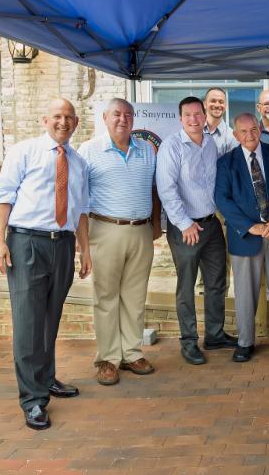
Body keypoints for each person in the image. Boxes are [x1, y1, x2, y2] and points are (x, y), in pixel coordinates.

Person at [0, 98, 92, 430]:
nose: (63, 122)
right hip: (27, 243)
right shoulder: (24, 152)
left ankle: (46, 378)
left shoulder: (78, 162)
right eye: (57, 116)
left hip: (62, 244)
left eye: (69, 117)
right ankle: (33, 399)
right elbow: (3, 197)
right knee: (29, 322)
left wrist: (85, 250)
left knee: (50, 317)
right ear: (44, 120)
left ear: (76, 123)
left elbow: (81, 210)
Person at [78, 98, 160, 385]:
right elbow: (79, 200)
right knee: (106, 297)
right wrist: (83, 244)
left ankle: (132, 353)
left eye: (128, 114)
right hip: (105, 229)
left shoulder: (147, 150)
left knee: (135, 297)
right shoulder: (89, 150)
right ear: (105, 117)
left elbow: (155, 190)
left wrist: (156, 224)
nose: (122, 119)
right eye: (116, 114)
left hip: (141, 230)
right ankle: (108, 358)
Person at [157, 96, 238, 366]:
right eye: (188, 115)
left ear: (204, 116)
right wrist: (184, 223)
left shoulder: (210, 144)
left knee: (217, 281)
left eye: (197, 114)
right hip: (186, 228)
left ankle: (214, 334)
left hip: (211, 224)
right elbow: (166, 189)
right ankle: (189, 341)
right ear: (180, 118)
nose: (193, 119)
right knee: (187, 286)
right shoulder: (171, 146)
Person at [214, 113, 269, 363]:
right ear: (235, 135)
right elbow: (222, 199)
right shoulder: (226, 162)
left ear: (260, 129)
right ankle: (245, 342)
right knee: (245, 292)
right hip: (245, 236)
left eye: (254, 129)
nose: (250, 135)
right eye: (243, 131)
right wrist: (249, 226)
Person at [203, 87, 237, 157]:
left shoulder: (232, 137)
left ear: (226, 105)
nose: (217, 105)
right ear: (204, 104)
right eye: (213, 101)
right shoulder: (193, 131)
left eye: (221, 102)